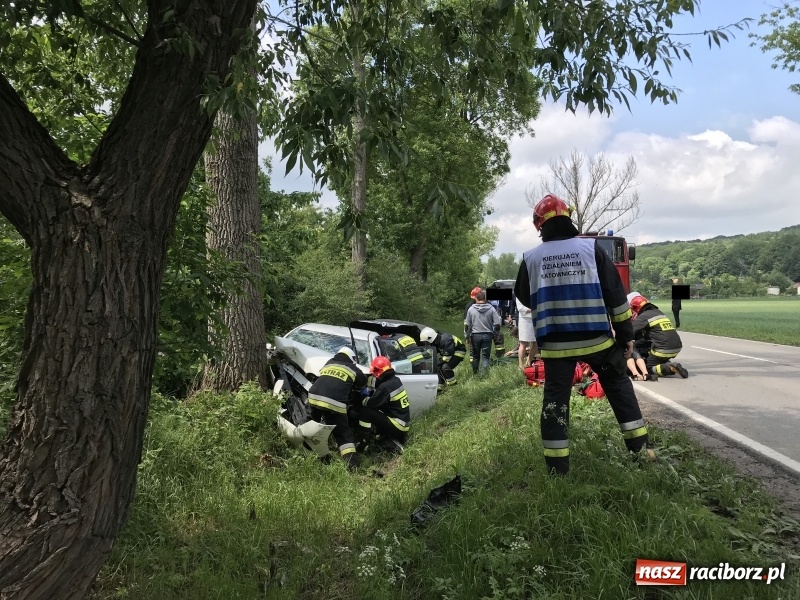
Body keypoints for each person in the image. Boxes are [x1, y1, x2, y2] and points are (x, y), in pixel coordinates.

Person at [514, 194, 652, 476]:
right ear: (569, 217)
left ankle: (557, 469)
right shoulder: (591, 249)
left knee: (555, 401)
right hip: (598, 341)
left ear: (539, 225)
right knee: (618, 387)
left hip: (555, 346)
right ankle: (641, 452)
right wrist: (626, 335)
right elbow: (616, 296)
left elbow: (524, 297)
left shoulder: (531, 257)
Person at [307, 346, 368, 471]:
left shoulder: (329, 363)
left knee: (313, 425)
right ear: (351, 358)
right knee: (343, 434)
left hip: (313, 397)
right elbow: (362, 382)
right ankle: (352, 465)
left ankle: (308, 451)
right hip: (334, 403)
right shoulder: (352, 367)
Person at [354, 357, 411, 455]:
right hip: (403, 423)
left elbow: (370, 404)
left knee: (365, 411)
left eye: (374, 373)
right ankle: (383, 438)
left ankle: (364, 443)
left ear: (379, 372)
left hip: (397, 426)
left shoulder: (385, 387)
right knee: (375, 415)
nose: (374, 376)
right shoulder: (395, 380)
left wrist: (363, 393)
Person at [629, 293, 689, 379]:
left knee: (646, 367)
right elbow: (649, 337)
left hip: (662, 349)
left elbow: (629, 332)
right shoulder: (658, 313)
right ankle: (666, 363)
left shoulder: (643, 316)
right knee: (655, 356)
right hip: (677, 347)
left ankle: (669, 368)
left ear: (636, 308)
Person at [465, 290, 501, 375]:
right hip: (487, 335)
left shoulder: (471, 309)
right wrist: (496, 332)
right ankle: (484, 374)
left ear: (476, 299)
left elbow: (467, 325)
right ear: (485, 299)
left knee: (475, 356)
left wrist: (467, 336)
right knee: (485, 356)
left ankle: (475, 373)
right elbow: (497, 324)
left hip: (475, 335)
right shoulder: (491, 308)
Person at [515, 296, 539, 370]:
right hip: (525, 320)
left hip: (535, 318)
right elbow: (520, 308)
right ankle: (521, 365)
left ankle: (528, 361)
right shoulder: (519, 293)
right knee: (523, 343)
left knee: (535, 343)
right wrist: (534, 309)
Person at [464, 286, 482, 359]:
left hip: (483, 331)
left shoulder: (488, 305)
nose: (474, 299)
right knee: (473, 350)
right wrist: (467, 336)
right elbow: (466, 323)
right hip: (473, 331)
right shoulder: (468, 306)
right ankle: (473, 364)